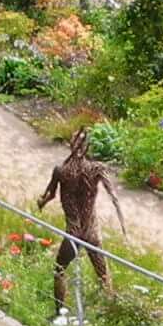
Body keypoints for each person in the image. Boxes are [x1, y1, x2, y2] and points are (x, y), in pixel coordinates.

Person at [36, 129, 114, 310]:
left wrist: (41, 202)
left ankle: (59, 311)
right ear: (88, 147)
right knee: (103, 274)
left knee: (59, 270)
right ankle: (110, 309)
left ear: (71, 144)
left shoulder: (61, 170)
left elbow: (49, 195)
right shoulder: (96, 169)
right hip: (91, 232)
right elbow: (112, 194)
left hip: (73, 233)